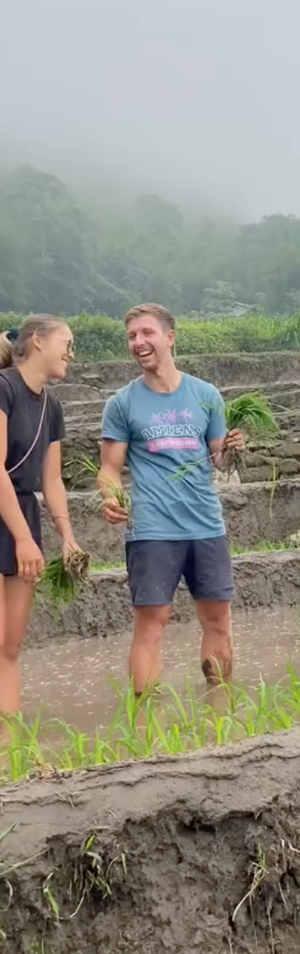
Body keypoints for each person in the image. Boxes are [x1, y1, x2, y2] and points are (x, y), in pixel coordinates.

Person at [99, 303, 245, 693]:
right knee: (151, 624)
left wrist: (233, 447)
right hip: (151, 528)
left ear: (170, 337)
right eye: (131, 336)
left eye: (146, 332)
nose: (138, 342)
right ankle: (144, 721)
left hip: (205, 524)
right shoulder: (122, 403)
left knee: (218, 620)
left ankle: (220, 709)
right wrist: (111, 498)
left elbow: (219, 460)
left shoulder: (206, 394)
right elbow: (109, 469)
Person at [0, 315, 81, 713]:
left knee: (10, 644)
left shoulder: (52, 407)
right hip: (10, 517)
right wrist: (23, 538)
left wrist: (67, 538)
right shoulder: (3, 388)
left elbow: (51, 481)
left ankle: (9, 736)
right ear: (37, 341)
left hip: (23, 514)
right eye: (67, 343)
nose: (71, 353)